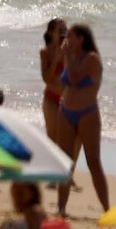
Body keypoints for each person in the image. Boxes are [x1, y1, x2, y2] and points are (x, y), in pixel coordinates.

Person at [55, 23, 108, 215]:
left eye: (70, 37)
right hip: (66, 111)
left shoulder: (92, 58)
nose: (66, 41)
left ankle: (106, 208)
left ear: (81, 39)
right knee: (65, 162)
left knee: (93, 161)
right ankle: (61, 207)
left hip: (87, 113)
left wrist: (68, 55)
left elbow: (76, 78)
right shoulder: (71, 56)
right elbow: (61, 77)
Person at [39, 18, 68, 148]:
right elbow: (46, 79)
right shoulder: (45, 52)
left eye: (65, 30)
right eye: (60, 31)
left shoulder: (70, 50)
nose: (63, 33)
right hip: (51, 98)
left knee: (65, 138)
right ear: (51, 33)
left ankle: (64, 167)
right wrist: (56, 59)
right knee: (52, 137)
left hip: (67, 100)